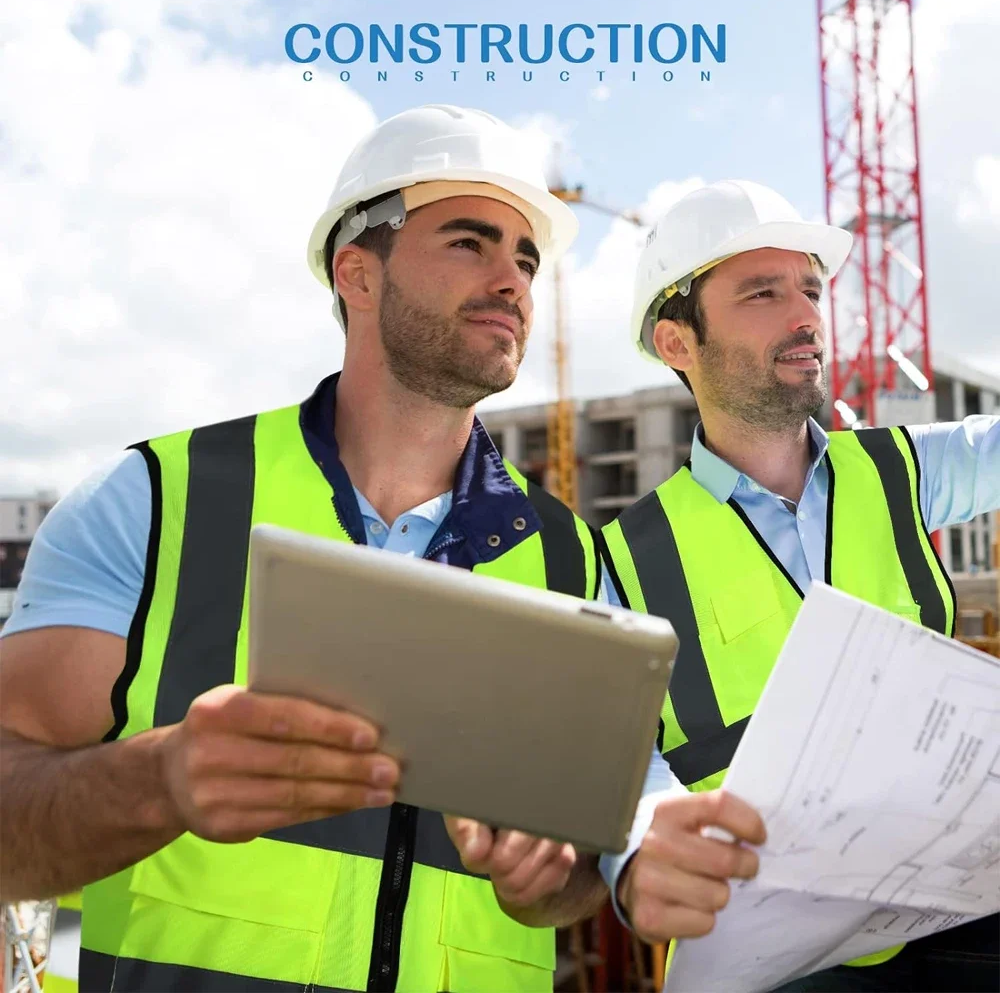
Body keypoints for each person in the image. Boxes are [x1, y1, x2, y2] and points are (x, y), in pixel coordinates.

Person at [0, 107, 762, 993]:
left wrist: (552, 879)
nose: (513, 281)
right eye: (470, 243)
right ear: (356, 272)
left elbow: (579, 878)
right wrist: (159, 780)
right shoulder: (156, 503)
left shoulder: (570, 561)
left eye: (525, 257)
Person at [599, 179, 1000, 991]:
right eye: (763, 292)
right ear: (679, 343)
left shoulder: (900, 471)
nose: (806, 314)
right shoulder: (621, 560)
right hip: (771, 957)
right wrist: (642, 855)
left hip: (959, 913)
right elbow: (616, 760)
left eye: (811, 289)